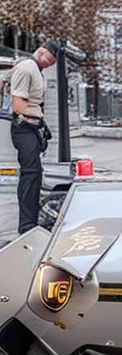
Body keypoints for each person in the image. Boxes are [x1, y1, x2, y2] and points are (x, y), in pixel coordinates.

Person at [7, 40, 57, 234]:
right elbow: (18, 106)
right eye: (48, 59)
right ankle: (27, 226)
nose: (48, 64)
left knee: (33, 173)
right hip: (25, 126)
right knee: (30, 174)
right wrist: (28, 119)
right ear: (41, 51)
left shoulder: (33, 68)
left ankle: (29, 222)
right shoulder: (27, 68)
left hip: (31, 127)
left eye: (52, 63)